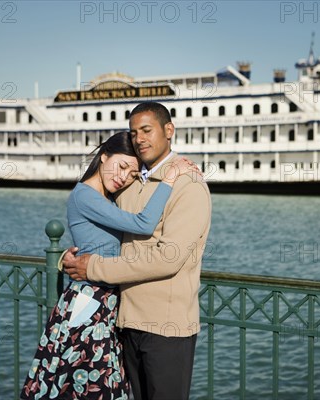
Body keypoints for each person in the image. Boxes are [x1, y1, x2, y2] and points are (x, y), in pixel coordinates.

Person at [21, 131, 196, 400]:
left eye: (132, 173)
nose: (123, 177)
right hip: (89, 301)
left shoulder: (108, 198)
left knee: (99, 383)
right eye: (122, 166)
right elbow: (143, 224)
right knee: (84, 383)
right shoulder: (85, 195)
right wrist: (170, 178)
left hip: (106, 303)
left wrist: (67, 257)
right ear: (103, 156)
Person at [62, 102, 212, 400]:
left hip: (166, 328)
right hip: (124, 321)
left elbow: (166, 259)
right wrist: (69, 261)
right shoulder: (128, 183)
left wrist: (91, 268)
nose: (139, 138)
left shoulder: (188, 185)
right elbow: (101, 235)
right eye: (133, 133)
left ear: (169, 131)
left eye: (146, 130)